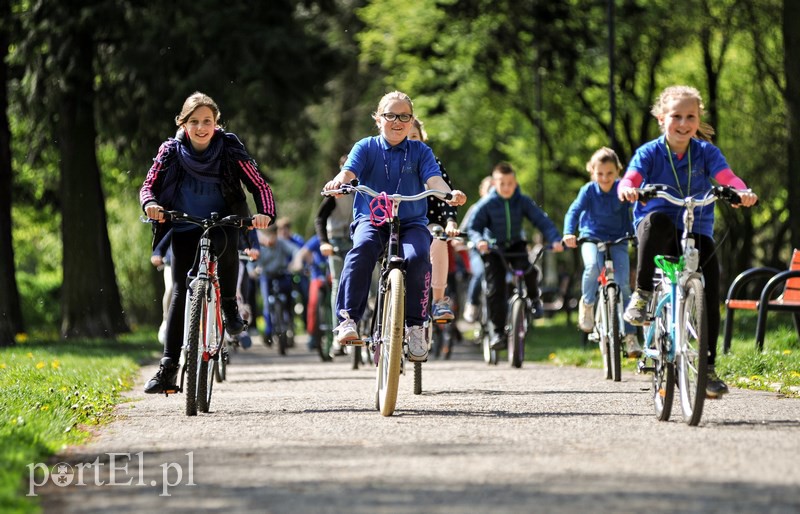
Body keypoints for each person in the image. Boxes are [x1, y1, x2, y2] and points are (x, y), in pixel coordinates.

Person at [617, 85, 758, 398]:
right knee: (658, 221)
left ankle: (707, 368)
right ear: (661, 118)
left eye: (690, 117)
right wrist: (628, 189)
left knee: (709, 288)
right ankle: (642, 294)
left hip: (696, 229)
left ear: (698, 119)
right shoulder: (649, 152)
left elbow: (727, 177)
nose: (683, 123)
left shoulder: (706, 152)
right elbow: (631, 177)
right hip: (659, 231)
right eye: (676, 116)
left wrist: (741, 191)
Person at [139, 91, 274, 394]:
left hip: (224, 220)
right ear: (182, 123)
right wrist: (151, 204)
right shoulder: (170, 151)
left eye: (207, 121)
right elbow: (149, 186)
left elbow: (258, 184)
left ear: (216, 123)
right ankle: (168, 368)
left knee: (227, 256)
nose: (201, 128)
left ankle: (229, 306)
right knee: (179, 290)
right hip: (184, 223)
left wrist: (265, 213)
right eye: (194, 122)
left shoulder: (229, 147)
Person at [322, 90, 466, 362]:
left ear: (411, 121)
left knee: (418, 256)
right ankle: (348, 319)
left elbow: (434, 180)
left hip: (411, 223)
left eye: (404, 116)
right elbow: (348, 172)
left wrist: (449, 194)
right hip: (372, 219)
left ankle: (415, 327)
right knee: (362, 249)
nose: (397, 122)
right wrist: (339, 182)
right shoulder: (365, 147)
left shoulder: (421, 151)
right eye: (391, 115)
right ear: (378, 119)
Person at [467, 161, 563, 351]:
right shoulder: (487, 203)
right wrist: (479, 241)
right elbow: (473, 227)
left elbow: (541, 221)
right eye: (502, 183)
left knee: (529, 270)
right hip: (494, 248)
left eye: (510, 183)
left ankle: (534, 300)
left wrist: (555, 239)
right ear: (494, 184)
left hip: (516, 244)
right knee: (495, 289)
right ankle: (498, 333)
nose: (506, 187)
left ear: (515, 183)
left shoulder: (522, 201)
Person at [563, 147, 640, 357]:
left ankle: (631, 336)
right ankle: (587, 304)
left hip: (618, 240)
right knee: (593, 266)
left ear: (618, 171)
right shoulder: (588, 191)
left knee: (624, 285)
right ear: (592, 172)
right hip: (592, 238)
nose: (605, 178)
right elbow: (573, 211)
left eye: (609, 173)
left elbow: (634, 213)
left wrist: (637, 234)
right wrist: (569, 232)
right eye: (600, 173)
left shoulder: (622, 189)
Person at [407, 117, 459, 321]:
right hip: (397, 223)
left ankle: (438, 300)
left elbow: (446, 196)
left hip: (428, 223)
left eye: (414, 136)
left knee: (438, 238)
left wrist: (451, 222)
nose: (410, 141)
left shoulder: (431, 163)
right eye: (406, 137)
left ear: (423, 139)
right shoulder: (389, 161)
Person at [248, 224, 297, 347]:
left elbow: (295, 250)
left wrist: (294, 263)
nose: (270, 240)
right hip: (266, 276)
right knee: (267, 304)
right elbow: (251, 260)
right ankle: (268, 331)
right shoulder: (259, 246)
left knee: (289, 300)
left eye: (272, 236)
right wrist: (253, 271)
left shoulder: (282, 243)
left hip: (282, 274)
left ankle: (290, 325)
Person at [459, 175, 493, 323]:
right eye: (488, 189)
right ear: (482, 191)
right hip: (477, 251)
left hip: (496, 251)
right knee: (479, 273)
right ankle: (472, 303)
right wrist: (459, 240)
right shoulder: (475, 209)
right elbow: (463, 230)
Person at [150, 229, 173, 346]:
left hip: (197, 265)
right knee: (171, 288)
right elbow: (168, 234)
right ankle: (166, 320)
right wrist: (157, 252)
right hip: (171, 263)